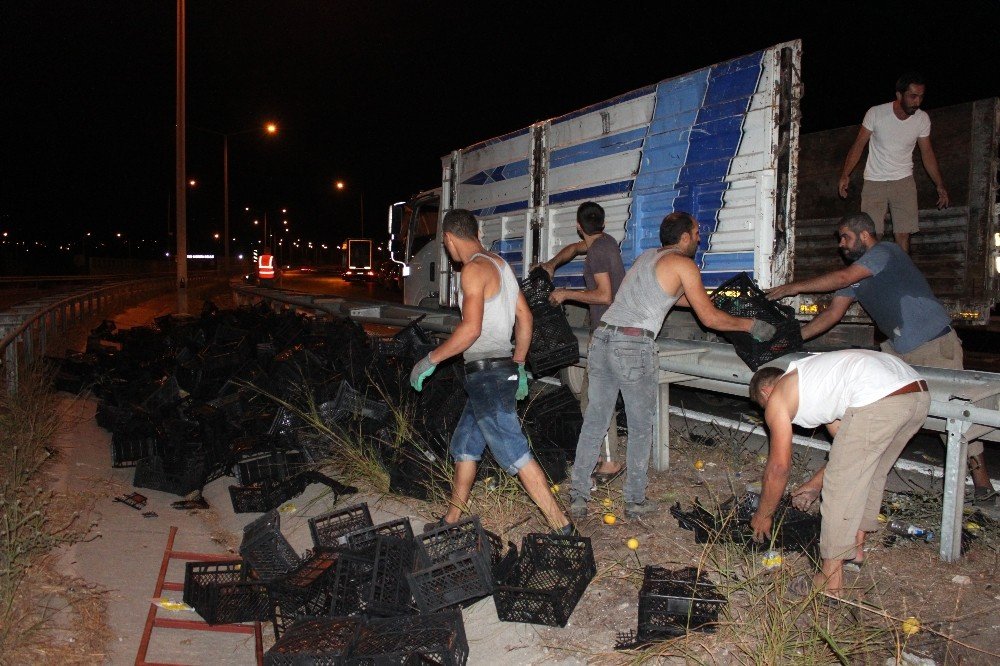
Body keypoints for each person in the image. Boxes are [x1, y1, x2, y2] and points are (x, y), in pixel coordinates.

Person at [768, 212, 996, 505]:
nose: (841, 245)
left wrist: (793, 287)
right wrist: (792, 341)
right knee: (876, 416)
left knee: (958, 417)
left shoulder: (885, 252)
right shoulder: (856, 276)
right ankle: (861, 481)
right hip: (899, 351)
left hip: (933, 343)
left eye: (845, 237)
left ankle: (982, 484)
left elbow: (842, 276)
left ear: (865, 235)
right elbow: (832, 315)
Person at [569, 211, 776, 519]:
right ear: (683, 238)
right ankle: (634, 501)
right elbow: (708, 319)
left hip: (602, 339)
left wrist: (704, 299)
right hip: (633, 345)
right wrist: (750, 326)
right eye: (695, 234)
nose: (698, 239)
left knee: (596, 420)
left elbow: (670, 298)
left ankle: (578, 497)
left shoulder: (646, 258)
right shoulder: (683, 264)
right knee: (640, 427)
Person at [409, 208, 575, 535]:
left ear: (448, 240)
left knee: (514, 452)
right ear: (477, 234)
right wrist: (518, 365)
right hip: (498, 372)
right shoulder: (500, 265)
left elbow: (470, 329)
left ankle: (563, 528)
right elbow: (525, 318)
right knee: (466, 445)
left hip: (486, 375)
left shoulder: (472, 271)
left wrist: (430, 359)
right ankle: (452, 519)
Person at [748, 350, 930, 596]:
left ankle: (830, 581)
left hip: (880, 398)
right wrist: (813, 484)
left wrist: (764, 514)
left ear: (765, 393)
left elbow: (779, 468)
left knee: (838, 489)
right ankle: (856, 547)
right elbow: (848, 453)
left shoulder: (777, 397)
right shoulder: (815, 381)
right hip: (915, 395)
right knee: (871, 470)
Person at [538, 201, 626, 483]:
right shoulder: (604, 242)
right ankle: (603, 455)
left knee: (597, 400)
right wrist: (551, 264)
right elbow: (575, 248)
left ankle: (611, 463)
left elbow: (604, 295)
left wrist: (565, 293)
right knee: (590, 398)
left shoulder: (598, 252)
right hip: (609, 331)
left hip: (608, 332)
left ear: (578, 225)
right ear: (603, 223)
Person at [838, 71, 949, 254]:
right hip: (875, 181)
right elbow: (858, 145)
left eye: (921, 97)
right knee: (872, 236)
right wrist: (845, 174)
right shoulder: (876, 113)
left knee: (903, 235)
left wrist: (939, 184)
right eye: (913, 96)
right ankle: (873, 278)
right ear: (899, 95)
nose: (917, 102)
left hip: (904, 181)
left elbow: (927, 153)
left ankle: (900, 277)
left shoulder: (922, 119)